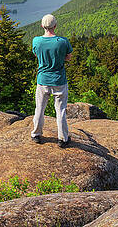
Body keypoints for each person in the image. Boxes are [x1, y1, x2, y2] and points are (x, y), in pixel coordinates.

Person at [31, 14, 73, 148]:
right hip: (59, 80)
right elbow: (69, 57)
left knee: (40, 108)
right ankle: (62, 138)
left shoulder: (36, 41)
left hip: (43, 80)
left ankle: (36, 134)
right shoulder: (63, 41)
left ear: (42, 26)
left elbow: (37, 55)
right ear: (55, 26)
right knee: (60, 110)